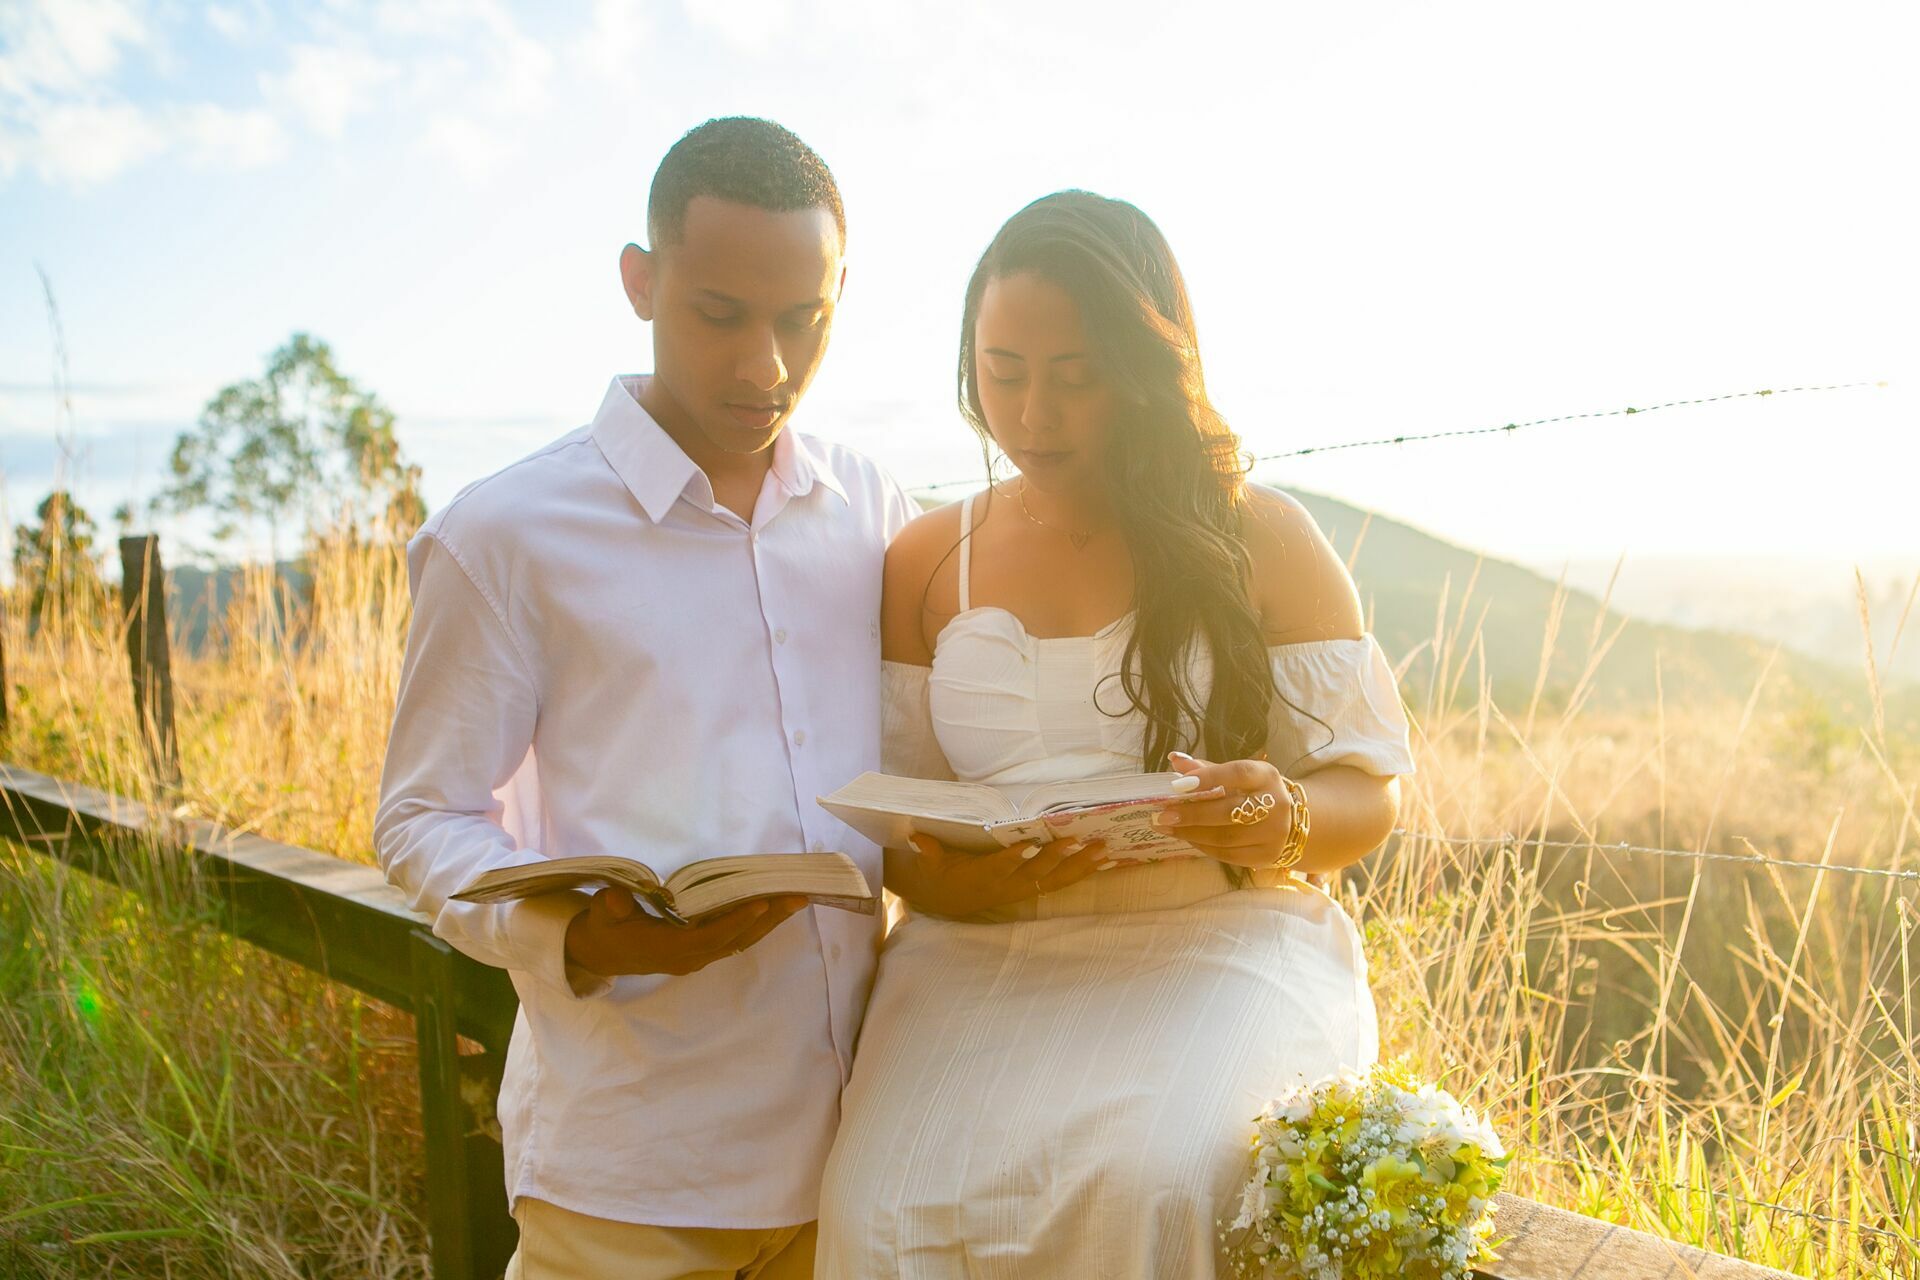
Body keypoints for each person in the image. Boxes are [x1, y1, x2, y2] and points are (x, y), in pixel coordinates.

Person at [814, 190, 1417, 1276]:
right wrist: (967, 882)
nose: (1033, 414)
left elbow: (1368, 792)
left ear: (1143, 368)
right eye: (1003, 372)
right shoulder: (924, 559)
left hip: (1215, 942)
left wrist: (1276, 816)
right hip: (977, 958)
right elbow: (904, 835)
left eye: (1074, 375)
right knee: (880, 1206)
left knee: (1163, 1180)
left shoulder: (1259, 536)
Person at [374, 117, 916, 1280]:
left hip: (860, 1169)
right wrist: (571, 930)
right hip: (629, 1176)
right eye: (720, 314)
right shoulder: (507, 533)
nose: (765, 365)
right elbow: (418, 819)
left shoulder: (875, 509)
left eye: (802, 318)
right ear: (640, 280)